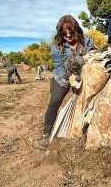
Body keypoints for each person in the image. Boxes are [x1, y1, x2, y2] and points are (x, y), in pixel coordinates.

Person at [34, 15, 94, 149]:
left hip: (84, 74)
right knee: (54, 102)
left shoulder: (87, 40)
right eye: (64, 33)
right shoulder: (56, 46)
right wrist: (70, 81)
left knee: (87, 102)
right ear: (60, 33)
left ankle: (85, 132)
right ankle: (45, 136)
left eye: (71, 32)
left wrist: (82, 80)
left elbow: (92, 59)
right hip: (62, 77)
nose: (68, 36)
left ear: (76, 30)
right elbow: (60, 67)